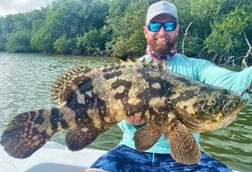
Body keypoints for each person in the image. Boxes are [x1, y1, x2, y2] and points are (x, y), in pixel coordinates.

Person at [86, 1, 252, 172]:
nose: (162, 31)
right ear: (145, 31)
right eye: (155, 25)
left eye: (169, 25)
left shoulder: (197, 67)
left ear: (177, 29)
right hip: (130, 150)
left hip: (184, 158)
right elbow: (111, 112)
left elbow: (232, 82)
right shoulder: (129, 71)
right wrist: (132, 121)